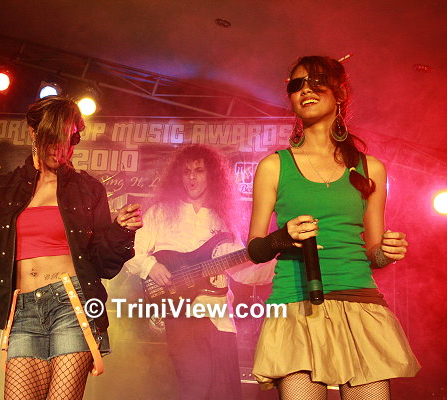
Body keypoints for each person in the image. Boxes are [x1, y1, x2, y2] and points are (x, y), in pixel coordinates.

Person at [248, 56, 420, 399]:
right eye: (296, 85)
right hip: (297, 305)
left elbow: (373, 253)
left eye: (316, 81)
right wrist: (283, 237)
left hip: (359, 303)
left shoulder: (370, 168)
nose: (305, 90)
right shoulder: (274, 166)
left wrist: (386, 253)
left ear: (340, 93)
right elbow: (255, 248)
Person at [0, 96, 142, 400]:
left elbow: (101, 264)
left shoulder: (88, 190)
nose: (60, 149)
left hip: (71, 304)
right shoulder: (3, 187)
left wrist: (121, 231)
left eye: (68, 141)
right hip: (22, 310)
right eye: (52, 140)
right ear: (34, 133)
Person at [125, 144, 274, 400]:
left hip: (220, 319)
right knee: (195, 389)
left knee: (226, 394)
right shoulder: (161, 213)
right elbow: (131, 252)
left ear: (212, 175)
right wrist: (151, 266)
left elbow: (243, 272)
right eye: (186, 172)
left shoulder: (222, 220)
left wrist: (281, 262)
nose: (192, 177)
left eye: (199, 171)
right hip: (183, 316)